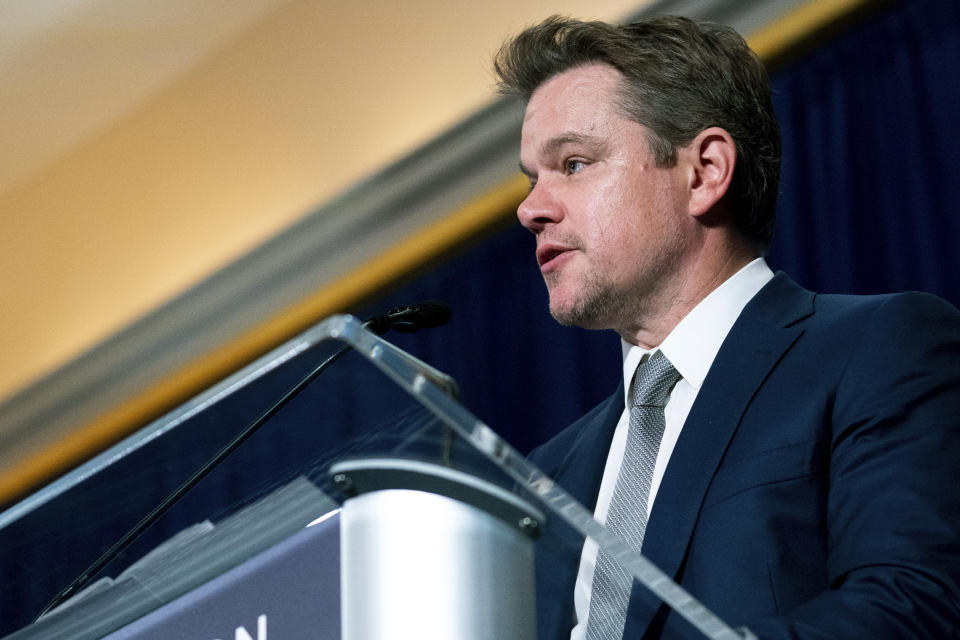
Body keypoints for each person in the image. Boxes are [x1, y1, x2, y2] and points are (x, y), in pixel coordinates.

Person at [493, 15, 960, 640]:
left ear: (706, 171)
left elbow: (911, 608)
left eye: (573, 164)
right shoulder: (545, 473)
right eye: (532, 179)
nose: (531, 210)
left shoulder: (877, 349)